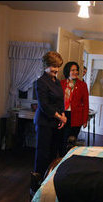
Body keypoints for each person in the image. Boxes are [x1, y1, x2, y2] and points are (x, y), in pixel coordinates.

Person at [33, 51, 67, 179]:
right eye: (54, 66)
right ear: (46, 65)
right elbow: (44, 106)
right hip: (44, 123)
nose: (56, 69)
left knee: (54, 153)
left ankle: (49, 178)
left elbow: (60, 101)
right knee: (43, 154)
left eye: (58, 66)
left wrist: (62, 115)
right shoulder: (41, 82)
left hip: (56, 123)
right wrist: (60, 117)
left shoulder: (57, 82)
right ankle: (38, 181)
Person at [60, 61, 89, 156]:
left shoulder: (82, 85)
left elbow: (86, 103)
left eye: (76, 70)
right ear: (68, 71)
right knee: (63, 140)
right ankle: (61, 159)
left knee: (72, 141)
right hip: (63, 115)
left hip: (76, 116)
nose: (75, 72)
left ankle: (70, 159)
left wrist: (85, 120)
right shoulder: (61, 83)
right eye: (73, 70)